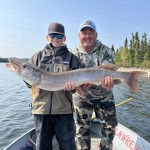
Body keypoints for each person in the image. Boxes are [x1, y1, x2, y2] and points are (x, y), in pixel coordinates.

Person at [28, 22, 80, 150]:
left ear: (64, 38)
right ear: (47, 37)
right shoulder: (37, 57)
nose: (55, 38)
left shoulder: (72, 58)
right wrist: (26, 79)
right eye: (52, 35)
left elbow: (76, 88)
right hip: (41, 111)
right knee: (42, 146)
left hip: (64, 111)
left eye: (59, 35)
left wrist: (73, 87)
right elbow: (30, 85)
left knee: (67, 146)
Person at [72, 20, 118, 150]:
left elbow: (109, 72)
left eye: (90, 32)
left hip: (104, 95)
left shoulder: (105, 51)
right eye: (84, 33)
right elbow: (72, 79)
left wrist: (109, 82)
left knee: (110, 127)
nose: (87, 36)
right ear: (79, 35)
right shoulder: (73, 54)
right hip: (82, 97)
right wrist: (77, 86)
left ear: (96, 34)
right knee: (81, 129)